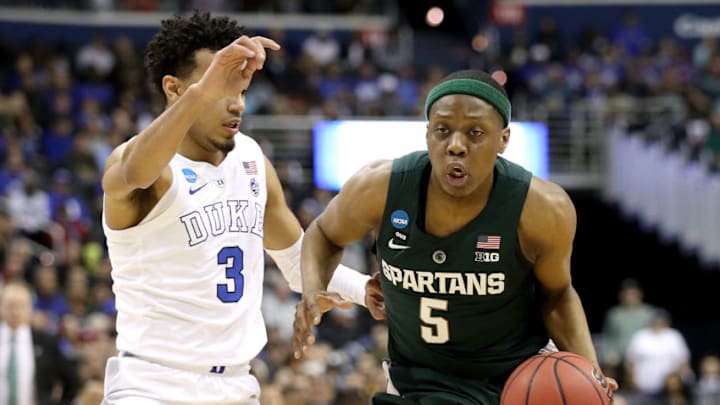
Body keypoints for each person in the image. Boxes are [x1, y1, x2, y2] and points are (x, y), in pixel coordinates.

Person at [293, 69, 617, 404]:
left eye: (475, 133)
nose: (456, 146)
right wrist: (313, 287)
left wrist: (590, 374)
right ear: (427, 134)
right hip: (417, 382)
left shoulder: (543, 208)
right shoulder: (380, 187)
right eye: (442, 131)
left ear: (503, 138)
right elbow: (323, 233)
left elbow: (558, 295)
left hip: (513, 382)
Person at [100, 11, 374, 405]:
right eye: (220, 91)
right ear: (175, 89)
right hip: (152, 386)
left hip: (237, 385)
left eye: (241, 92)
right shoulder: (139, 163)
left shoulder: (250, 157)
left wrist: (367, 290)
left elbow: (298, 261)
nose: (237, 105)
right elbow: (135, 172)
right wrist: (203, 92)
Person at [0, 281, 80, 405]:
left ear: (30, 308)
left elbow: (72, 382)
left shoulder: (47, 342)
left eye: (20, 305)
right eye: (10, 305)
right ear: (1, 307)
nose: (15, 312)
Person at [601, 278, 656, 386]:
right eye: (627, 294)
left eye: (633, 294)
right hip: (620, 356)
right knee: (608, 365)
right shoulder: (615, 314)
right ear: (621, 295)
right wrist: (610, 353)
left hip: (642, 355)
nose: (630, 297)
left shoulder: (648, 312)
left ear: (640, 294)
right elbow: (609, 337)